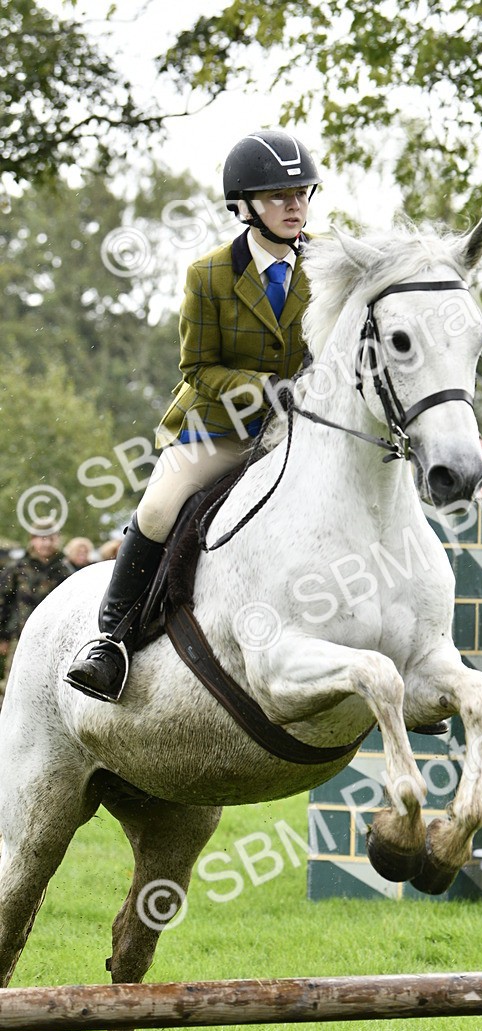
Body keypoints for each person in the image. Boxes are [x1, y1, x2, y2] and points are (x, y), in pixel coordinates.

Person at [66, 129, 322, 702]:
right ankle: (111, 642)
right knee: (158, 507)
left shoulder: (327, 266)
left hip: (301, 434)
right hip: (221, 429)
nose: (295, 205)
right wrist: (269, 389)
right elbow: (199, 368)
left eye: (302, 192)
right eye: (279, 195)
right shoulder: (208, 275)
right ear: (245, 206)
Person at [0, 523, 74, 698]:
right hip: (20, 637)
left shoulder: (64, 571)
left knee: (50, 689)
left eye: (50, 538)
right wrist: (2, 636)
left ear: (57, 540)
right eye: (41, 538)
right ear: (32, 540)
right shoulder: (17, 568)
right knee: (12, 686)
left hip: (54, 640)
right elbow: (3, 602)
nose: (46, 543)